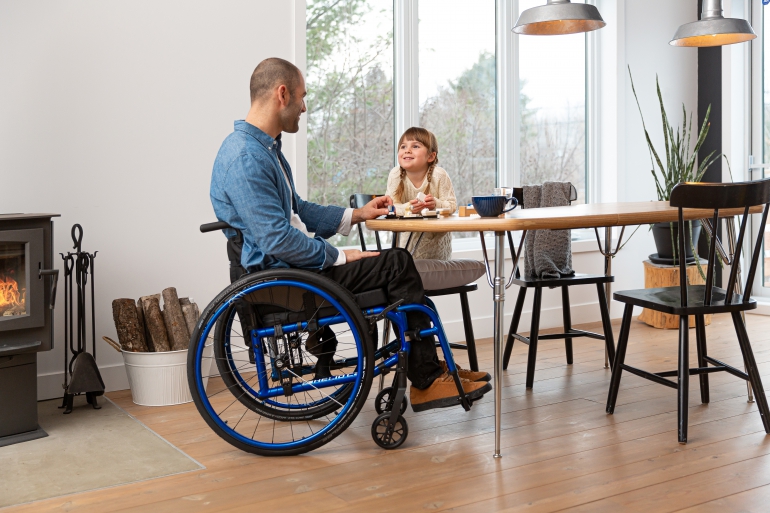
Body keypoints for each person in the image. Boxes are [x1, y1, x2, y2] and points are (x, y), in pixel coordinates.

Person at [209, 57, 490, 412]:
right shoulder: (246, 158)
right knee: (398, 263)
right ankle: (427, 378)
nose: (304, 106)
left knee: (401, 276)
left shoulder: (264, 151)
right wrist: (338, 255)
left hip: (293, 271)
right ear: (282, 94)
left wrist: (356, 214)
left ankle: (431, 369)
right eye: (301, 97)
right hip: (286, 281)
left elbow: (297, 209)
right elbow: (276, 239)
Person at [386, 127, 457, 260]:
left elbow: (452, 205)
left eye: (415, 146)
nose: (407, 150)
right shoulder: (395, 175)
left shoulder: (439, 175)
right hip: (406, 249)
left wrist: (436, 204)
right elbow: (390, 207)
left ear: (431, 156)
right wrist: (408, 207)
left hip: (436, 249)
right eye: (403, 146)